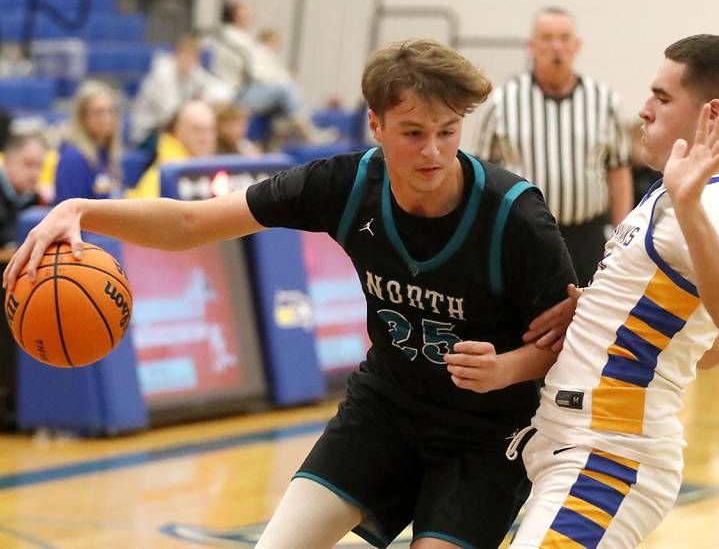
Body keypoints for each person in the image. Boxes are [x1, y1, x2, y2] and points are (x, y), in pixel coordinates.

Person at [3, 39, 577, 549]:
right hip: (387, 408)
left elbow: (568, 340)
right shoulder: (343, 184)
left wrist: (505, 368)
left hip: (483, 433)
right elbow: (190, 224)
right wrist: (80, 209)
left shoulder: (514, 216)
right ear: (375, 126)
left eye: (447, 133)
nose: (432, 151)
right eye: (413, 133)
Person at [507, 34, 719, 548]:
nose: (644, 111)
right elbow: (710, 346)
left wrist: (689, 209)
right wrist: (606, 308)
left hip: (609, 456)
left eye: (662, 97)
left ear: (711, 114)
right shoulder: (672, 193)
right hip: (575, 441)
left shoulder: (716, 205)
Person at [476, 7, 633, 286]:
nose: (556, 47)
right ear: (532, 46)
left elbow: (618, 172)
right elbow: (482, 176)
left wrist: (621, 238)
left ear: (576, 46)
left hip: (587, 235)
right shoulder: (503, 102)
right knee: (528, 317)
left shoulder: (605, 101)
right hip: (524, 232)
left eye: (564, 38)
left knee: (586, 316)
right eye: (547, 38)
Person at [0, 133, 47, 429]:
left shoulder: (34, 199)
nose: (34, 173)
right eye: (28, 164)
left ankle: (26, 400)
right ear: (7, 158)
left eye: (39, 166)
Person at [130, 35, 234, 150]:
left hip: (174, 129)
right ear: (175, 56)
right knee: (190, 144)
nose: (188, 60)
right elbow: (171, 114)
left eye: (193, 57)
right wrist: (201, 106)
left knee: (207, 139)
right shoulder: (161, 76)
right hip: (149, 133)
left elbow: (223, 90)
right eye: (184, 55)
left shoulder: (195, 73)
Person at [126, 100, 217, 199]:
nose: (205, 138)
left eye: (210, 130)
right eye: (197, 130)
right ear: (177, 131)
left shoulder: (216, 166)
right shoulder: (161, 175)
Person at [53, 80, 123, 204]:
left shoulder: (107, 154)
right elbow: (72, 210)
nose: (106, 119)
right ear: (82, 117)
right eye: (98, 112)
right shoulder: (73, 158)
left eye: (110, 111)